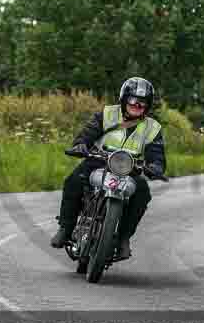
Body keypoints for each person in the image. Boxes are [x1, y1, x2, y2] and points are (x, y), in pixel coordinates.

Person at [50, 77, 166, 260]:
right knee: (74, 181)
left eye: (143, 102)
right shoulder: (107, 114)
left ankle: (123, 240)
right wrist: (81, 145)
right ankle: (66, 228)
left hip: (130, 169)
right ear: (124, 98)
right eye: (133, 100)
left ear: (148, 106)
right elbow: (88, 132)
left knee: (142, 192)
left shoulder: (153, 127)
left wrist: (156, 166)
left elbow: (156, 152)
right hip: (99, 161)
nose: (137, 105)